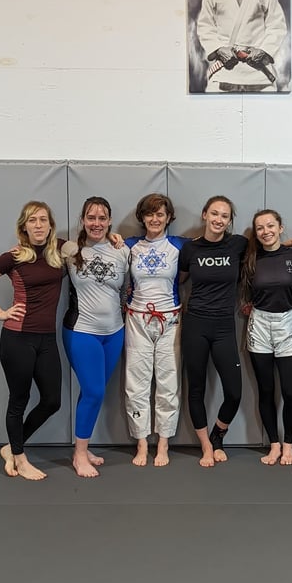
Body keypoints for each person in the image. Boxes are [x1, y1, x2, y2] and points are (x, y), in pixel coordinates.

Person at [0, 201, 65, 480]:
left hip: (47, 339)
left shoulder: (60, 249)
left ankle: (11, 447)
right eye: (32, 220)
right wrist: (0, 312)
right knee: (19, 400)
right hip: (18, 338)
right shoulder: (13, 256)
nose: (38, 225)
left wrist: (113, 237)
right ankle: (20, 459)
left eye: (43, 219)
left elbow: (88, 244)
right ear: (24, 226)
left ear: (51, 225)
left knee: (52, 401)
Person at [61, 197, 130, 478]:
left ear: (110, 221)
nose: (97, 223)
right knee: (94, 391)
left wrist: (117, 238)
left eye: (102, 218)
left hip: (114, 332)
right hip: (82, 332)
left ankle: (83, 446)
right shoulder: (69, 249)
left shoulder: (122, 250)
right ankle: (79, 455)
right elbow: (40, 244)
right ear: (82, 220)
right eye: (91, 218)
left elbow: (125, 289)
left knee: (93, 390)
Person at [178, 196, 248, 466]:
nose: (219, 219)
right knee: (196, 388)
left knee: (234, 392)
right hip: (195, 324)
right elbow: (178, 280)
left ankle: (218, 434)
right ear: (204, 214)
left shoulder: (238, 244)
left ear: (229, 221)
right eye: (215, 213)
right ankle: (206, 446)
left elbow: (271, 243)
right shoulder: (190, 249)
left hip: (224, 326)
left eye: (225, 216)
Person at [124, 193, 188, 467]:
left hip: (170, 320)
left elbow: (218, 244)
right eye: (149, 214)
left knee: (168, 382)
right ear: (142, 217)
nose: (154, 219)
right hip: (137, 319)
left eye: (160, 214)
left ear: (169, 217)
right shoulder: (128, 245)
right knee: (136, 383)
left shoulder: (180, 245)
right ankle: (141, 442)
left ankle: (163, 443)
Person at [241, 210, 292, 465]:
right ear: (255, 233)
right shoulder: (250, 257)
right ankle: (274, 445)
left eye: (270, 226)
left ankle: (288, 445)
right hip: (259, 324)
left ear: (280, 227)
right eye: (260, 228)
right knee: (266, 390)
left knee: (290, 392)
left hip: (287, 323)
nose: (266, 231)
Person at [196, 0, 288, 93]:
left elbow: (277, 26)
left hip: (258, 73)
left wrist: (263, 50)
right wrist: (219, 49)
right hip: (224, 71)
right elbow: (205, 26)